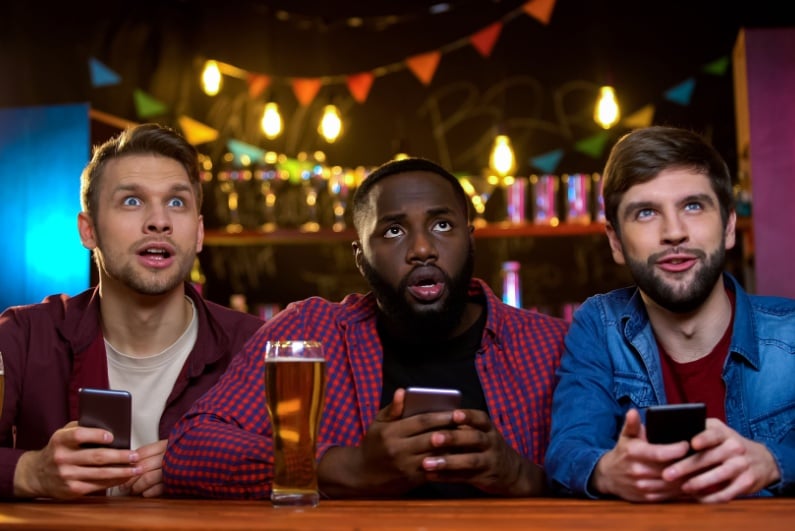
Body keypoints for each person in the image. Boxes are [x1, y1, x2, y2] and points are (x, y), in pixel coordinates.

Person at [163, 157, 568, 499]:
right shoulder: (310, 332)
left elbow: (613, 476)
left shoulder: (549, 344)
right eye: (393, 230)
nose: (423, 249)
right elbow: (189, 450)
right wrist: (348, 466)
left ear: (471, 241)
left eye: (442, 225)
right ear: (361, 258)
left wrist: (519, 475)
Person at [0, 123, 263, 499]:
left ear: (199, 232)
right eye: (132, 201)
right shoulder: (23, 336)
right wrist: (28, 471)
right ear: (88, 231)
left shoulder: (255, 347)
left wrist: (217, 467)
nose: (160, 221)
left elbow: (319, 465)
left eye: (177, 202)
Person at [545, 125, 795, 503]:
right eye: (646, 212)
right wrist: (607, 472)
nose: (674, 232)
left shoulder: (791, 333)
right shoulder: (597, 326)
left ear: (728, 226)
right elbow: (568, 452)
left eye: (693, 206)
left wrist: (775, 462)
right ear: (615, 241)